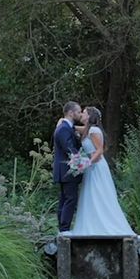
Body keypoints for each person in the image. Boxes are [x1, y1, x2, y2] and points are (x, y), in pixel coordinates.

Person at [71, 107, 140, 253]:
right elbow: (74, 127)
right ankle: (92, 224)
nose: (81, 114)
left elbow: (99, 151)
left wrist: (87, 163)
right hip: (91, 167)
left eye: (84, 112)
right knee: (90, 196)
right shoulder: (88, 130)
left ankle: (105, 225)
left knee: (99, 195)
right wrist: (64, 122)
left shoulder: (94, 131)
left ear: (90, 116)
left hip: (96, 167)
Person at [53, 101, 84, 235]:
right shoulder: (64, 129)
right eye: (78, 111)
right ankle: (64, 229)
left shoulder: (67, 127)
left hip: (65, 170)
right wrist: (83, 163)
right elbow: (70, 149)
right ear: (71, 113)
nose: (80, 114)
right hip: (67, 170)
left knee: (65, 199)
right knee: (70, 199)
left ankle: (63, 228)